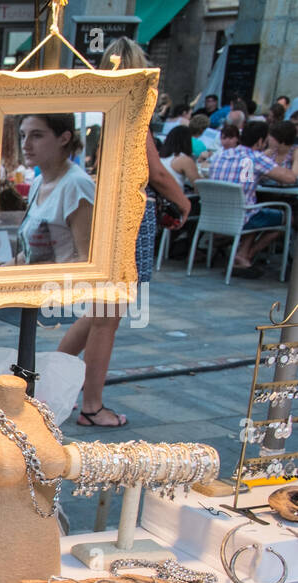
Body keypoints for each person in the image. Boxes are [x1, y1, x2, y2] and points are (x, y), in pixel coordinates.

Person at [57, 37, 190, 429]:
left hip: (102, 214)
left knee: (98, 311)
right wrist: (184, 203)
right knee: (107, 316)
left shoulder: (97, 110)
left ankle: (41, 383)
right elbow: (157, 173)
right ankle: (92, 406)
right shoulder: (131, 113)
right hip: (127, 217)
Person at [208, 118, 297, 275]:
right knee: (288, 218)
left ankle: (241, 254)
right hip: (242, 216)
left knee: (257, 210)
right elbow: (290, 178)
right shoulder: (255, 158)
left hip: (214, 216)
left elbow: (245, 179)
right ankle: (246, 254)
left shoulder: (221, 155)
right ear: (261, 140)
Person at [14, 114, 93, 265]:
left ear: (64, 138)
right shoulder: (38, 183)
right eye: (23, 135)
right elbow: (29, 254)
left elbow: (87, 261)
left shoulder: (77, 185)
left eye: (37, 136)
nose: (25, 144)